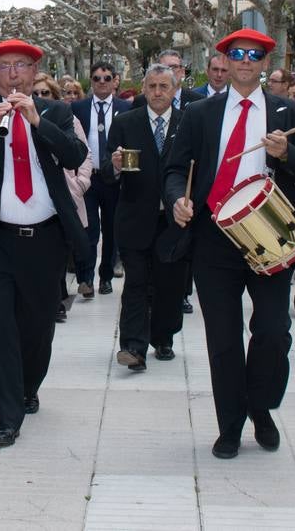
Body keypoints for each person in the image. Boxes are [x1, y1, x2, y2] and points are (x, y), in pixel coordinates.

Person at [165, 29, 295, 460]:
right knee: (223, 339)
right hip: (215, 237)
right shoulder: (200, 113)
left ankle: (262, 405)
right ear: (226, 61)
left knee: (273, 331)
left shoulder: (290, 112)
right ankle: (230, 425)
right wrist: (177, 198)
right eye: (238, 54)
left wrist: (288, 153)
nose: (246, 61)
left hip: (270, 235)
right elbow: (176, 169)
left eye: (255, 55)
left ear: (265, 63)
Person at [0, 39, 88, 447]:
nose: (13, 73)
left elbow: (74, 155)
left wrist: (38, 124)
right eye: (4, 67)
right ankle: (6, 415)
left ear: (34, 72)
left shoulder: (57, 112)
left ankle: (29, 387)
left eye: (21, 66)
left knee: (37, 327)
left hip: (44, 240)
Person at [105, 64, 188, 370]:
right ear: (143, 89)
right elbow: (106, 171)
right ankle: (133, 346)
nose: (157, 92)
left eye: (163, 86)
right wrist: (113, 164)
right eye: (152, 86)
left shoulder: (187, 122)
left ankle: (163, 337)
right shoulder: (125, 122)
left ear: (174, 89)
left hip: (173, 221)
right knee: (136, 283)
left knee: (169, 284)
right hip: (134, 217)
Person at [32, 73, 92, 323]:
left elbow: (84, 154)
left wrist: (81, 183)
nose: (39, 97)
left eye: (45, 93)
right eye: (36, 93)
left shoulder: (66, 118)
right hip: (35, 196)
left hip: (66, 192)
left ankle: (58, 296)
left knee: (60, 246)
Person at [72, 61, 131, 297]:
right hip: (88, 177)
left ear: (115, 80)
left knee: (111, 230)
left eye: (107, 78)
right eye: (96, 78)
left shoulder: (126, 108)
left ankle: (105, 276)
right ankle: (85, 277)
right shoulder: (79, 107)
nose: (102, 82)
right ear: (91, 81)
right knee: (88, 230)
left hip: (114, 178)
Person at [131, 48, 205, 111]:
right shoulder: (141, 101)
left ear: (182, 71)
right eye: (164, 68)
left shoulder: (199, 100)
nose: (170, 71)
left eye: (174, 67)